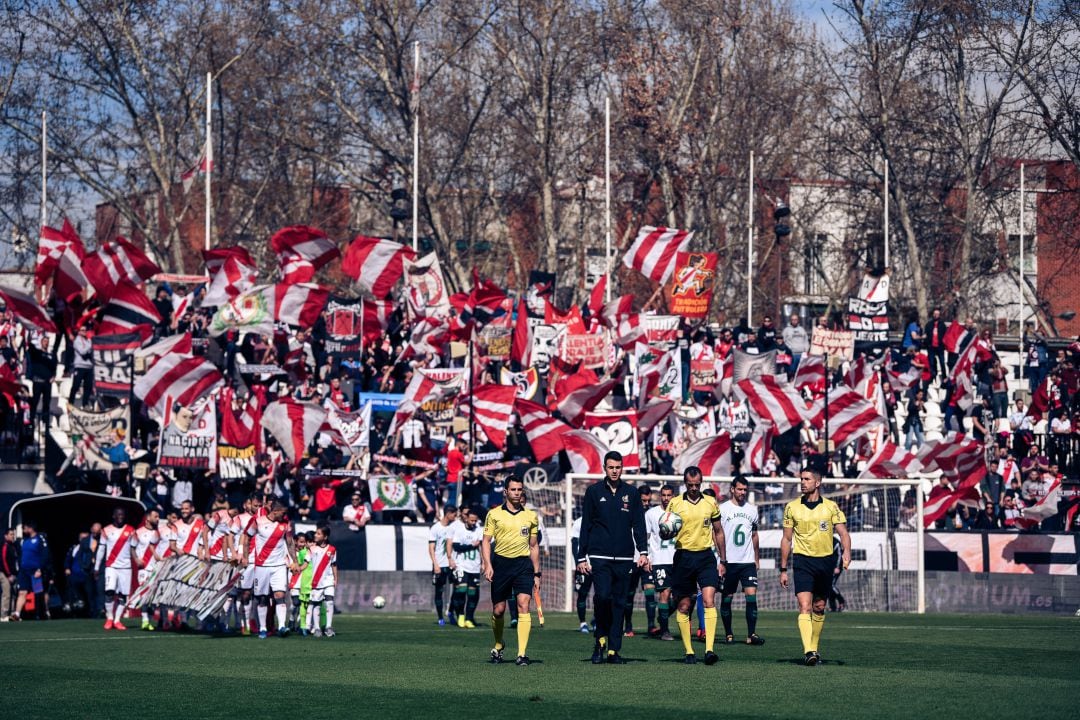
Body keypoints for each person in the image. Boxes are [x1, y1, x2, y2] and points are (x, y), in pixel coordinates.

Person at [575, 451, 650, 665]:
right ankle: (599, 642)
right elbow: (586, 525)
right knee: (603, 597)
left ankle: (613, 650)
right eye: (611, 467)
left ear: (622, 467)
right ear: (604, 468)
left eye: (618, 467)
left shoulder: (632, 493)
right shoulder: (593, 491)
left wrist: (643, 552)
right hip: (599, 556)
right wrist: (581, 557)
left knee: (619, 602)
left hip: (625, 558)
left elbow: (639, 524)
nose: (614, 471)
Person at [779, 466, 851, 666]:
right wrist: (783, 569)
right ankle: (808, 651)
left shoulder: (831, 507)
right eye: (801, 479)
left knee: (819, 607)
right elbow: (786, 540)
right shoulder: (792, 507)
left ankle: (814, 648)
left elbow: (844, 534)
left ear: (817, 483)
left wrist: (847, 552)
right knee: (804, 606)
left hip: (825, 562)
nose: (802, 482)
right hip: (802, 562)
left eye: (807, 479)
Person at [664, 466, 725, 665]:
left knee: (709, 600)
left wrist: (722, 560)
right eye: (690, 485)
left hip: (706, 557)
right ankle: (689, 651)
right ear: (685, 483)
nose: (693, 488)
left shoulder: (710, 502)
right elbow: (666, 529)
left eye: (697, 485)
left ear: (701, 482)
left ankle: (709, 649)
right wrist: (667, 531)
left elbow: (718, 531)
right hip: (683, 557)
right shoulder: (674, 503)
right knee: (684, 605)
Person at [480, 477, 540, 666]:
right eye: (513, 489)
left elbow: (534, 546)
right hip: (501, 564)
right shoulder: (493, 514)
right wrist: (488, 564)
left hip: (523, 565)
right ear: (505, 491)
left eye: (519, 489)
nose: (516, 492)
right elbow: (486, 542)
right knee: (499, 610)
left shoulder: (531, 516)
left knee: (524, 603)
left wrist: (537, 573)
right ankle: (499, 644)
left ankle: (521, 654)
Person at [718, 476, 764, 645]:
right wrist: (720, 560)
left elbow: (754, 535)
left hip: (747, 562)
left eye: (745, 489)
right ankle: (728, 634)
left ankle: (751, 634)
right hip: (729, 561)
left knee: (751, 596)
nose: (742, 492)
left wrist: (756, 559)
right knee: (727, 597)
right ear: (732, 489)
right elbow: (717, 535)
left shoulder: (752, 510)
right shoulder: (722, 509)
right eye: (739, 489)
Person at [243, 500, 298, 639]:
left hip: (279, 565)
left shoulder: (285, 523)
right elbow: (246, 536)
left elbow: (290, 542)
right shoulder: (258, 521)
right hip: (261, 565)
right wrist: (244, 556)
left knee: (280, 596)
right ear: (275, 511)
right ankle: (262, 628)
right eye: (283, 512)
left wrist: (295, 561)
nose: (285, 514)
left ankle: (281, 627)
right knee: (262, 598)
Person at [643, 483, 677, 640]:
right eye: (663, 495)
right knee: (665, 593)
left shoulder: (680, 513)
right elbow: (646, 537)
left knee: (684, 596)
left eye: (669, 495)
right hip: (660, 560)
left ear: (674, 496)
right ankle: (665, 630)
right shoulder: (651, 514)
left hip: (678, 561)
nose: (666, 498)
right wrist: (647, 557)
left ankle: (662, 617)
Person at [96, 507, 136, 630]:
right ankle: (109, 618)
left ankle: (117, 620)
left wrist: (138, 560)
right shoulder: (106, 530)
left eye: (122, 515)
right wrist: (97, 566)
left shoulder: (131, 530)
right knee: (109, 591)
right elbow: (101, 549)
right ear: (113, 516)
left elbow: (134, 548)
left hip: (125, 567)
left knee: (123, 595)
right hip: (111, 566)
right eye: (118, 514)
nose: (120, 517)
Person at [450, 507, 484, 628]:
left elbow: (482, 547)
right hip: (461, 566)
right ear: (466, 519)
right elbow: (456, 547)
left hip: (474, 567)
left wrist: (484, 562)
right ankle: (460, 615)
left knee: (473, 593)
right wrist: (471, 545)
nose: (473, 523)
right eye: (471, 521)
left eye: (475, 521)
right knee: (461, 591)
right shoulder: (460, 530)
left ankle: (469, 618)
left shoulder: (479, 530)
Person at [428, 504, 458, 626]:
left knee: (458, 589)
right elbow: (431, 548)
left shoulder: (454, 527)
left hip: (452, 564)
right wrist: (435, 564)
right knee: (439, 591)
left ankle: (450, 612)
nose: (455, 517)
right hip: (440, 564)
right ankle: (440, 617)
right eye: (454, 515)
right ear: (448, 514)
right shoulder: (435, 528)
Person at [306, 524, 337, 637]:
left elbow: (334, 564)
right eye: (316, 533)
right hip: (316, 581)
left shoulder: (332, 549)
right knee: (317, 604)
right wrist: (297, 568)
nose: (315, 535)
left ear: (325, 537)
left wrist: (335, 579)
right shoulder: (312, 549)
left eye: (318, 533)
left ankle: (328, 626)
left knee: (329, 601)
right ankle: (317, 628)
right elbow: (305, 563)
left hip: (328, 580)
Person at [133, 509, 162, 631]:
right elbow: (132, 547)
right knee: (145, 595)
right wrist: (136, 559)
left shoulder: (159, 533)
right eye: (156, 516)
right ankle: (145, 621)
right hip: (144, 569)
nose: (158, 518)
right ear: (148, 518)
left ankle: (149, 621)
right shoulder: (138, 532)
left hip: (157, 569)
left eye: (159, 516)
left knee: (153, 598)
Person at [570, 514, 594, 633]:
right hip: (583, 566)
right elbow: (575, 544)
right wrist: (579, 563)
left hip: (599, 564)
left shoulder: (603, 519)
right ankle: (583, 623)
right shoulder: (579, 522)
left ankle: (596, 620)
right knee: (582, 594)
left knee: (602, 594)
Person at [827, 533, 846, 612]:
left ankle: (841, 601)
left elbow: (839, 555)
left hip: (836, 567)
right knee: (827, 587)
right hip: (828, 568)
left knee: (830, 585)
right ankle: (833, 607)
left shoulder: (836, 542)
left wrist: (837, 567)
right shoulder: (823, 541)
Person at [1, 527, 17, 620]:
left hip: (12, 574)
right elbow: (3, 561)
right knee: (6, 594)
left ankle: (11, 613)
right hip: (4, 574)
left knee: (13, 594)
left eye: (13, 534)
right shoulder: (5, 546)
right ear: (6, 536)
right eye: (11, 534)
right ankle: (3, 615)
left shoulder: (13, 546)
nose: (13, 536)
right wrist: (8, 575)